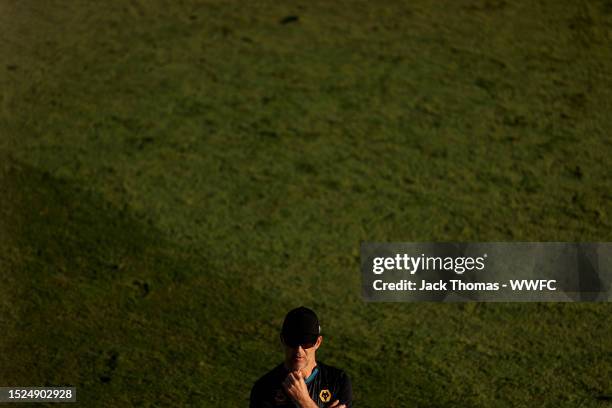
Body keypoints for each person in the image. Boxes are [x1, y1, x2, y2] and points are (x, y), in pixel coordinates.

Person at [250, 307, 353, 408]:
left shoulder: (337, 381)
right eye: (292, 341)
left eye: (306, 343)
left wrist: (303, 401)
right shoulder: (264, 389)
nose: (299, 350)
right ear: (283, 340)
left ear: (318, 342)